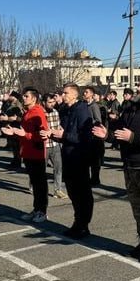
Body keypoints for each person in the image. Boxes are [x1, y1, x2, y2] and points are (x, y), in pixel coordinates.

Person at [93, 77, 140, 264]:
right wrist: (107, 136)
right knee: (138, 209)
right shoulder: (130, 109)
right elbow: (120, 133)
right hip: (131, 166)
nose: (138, 88)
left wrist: (134, 137)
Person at [46, 83, 94, 239]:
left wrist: (64, 135)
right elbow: (63, 132)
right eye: (63, 93)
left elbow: (84, 137)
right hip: (67, 155)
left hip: (79, 156)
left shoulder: (82, 110)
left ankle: (83, 225)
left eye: (66, 93)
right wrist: (52, 134)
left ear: (75, 95)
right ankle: (77, 222)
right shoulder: (66, 110)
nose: (63, 95)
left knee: (82, 194)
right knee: (73, 192)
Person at [3, 87, 49, 223]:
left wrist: (25, 134)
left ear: (34, 98)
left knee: (40, 183)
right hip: (28, 152)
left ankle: (42, 211)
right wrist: (15, 132)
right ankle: (36, 209)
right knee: (35, 183)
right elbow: (24, 132)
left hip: (37, 153)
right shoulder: (28, 112)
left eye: (26, 96)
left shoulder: (38, 112)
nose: (24, 98)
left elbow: (43, 134)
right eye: (23, 96)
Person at [43, 93, 68, 199]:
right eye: (49, 102)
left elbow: (58, 125)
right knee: (40, 169)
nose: (52, 104)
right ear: (44, 102)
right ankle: (34, 187)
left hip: (55, 144)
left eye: (53, 102)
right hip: (44, 145)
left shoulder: (55, 112)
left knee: (58, 168)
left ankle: (57, 190)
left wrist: (61, 130)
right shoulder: (40, 113)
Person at [84, 86, 105, 186]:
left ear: (92, 94)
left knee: (95, 161)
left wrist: (89, 123)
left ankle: (95, 179)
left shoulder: (94, 106)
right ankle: (89, 179)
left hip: (94, 137)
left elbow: (98, 120)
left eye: (86, 92)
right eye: (84, 92)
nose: (84, 94)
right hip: (86, 136)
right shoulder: (84, 105)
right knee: (88, 160)